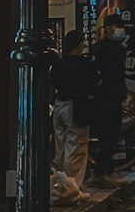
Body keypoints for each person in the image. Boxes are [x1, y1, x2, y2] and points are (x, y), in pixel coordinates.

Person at [51, 30, 98, 198]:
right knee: (76, 147)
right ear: (79, 46)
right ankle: (73, 188)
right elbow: (94, 83)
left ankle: (59, 185)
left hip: (59, 106)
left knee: (60, 147)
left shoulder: (58, 63)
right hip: (77, 106)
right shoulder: (84, 64)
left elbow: (53, 82)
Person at [90, 13, 128, 187]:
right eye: (117, 26)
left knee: (109, 136)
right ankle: (100, 173)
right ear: (108, 28)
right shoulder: (107, 50)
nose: (121, 30)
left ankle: (105, 170)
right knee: (109, 136)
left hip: (108, 98)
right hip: (108, 99)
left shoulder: (102, 48)